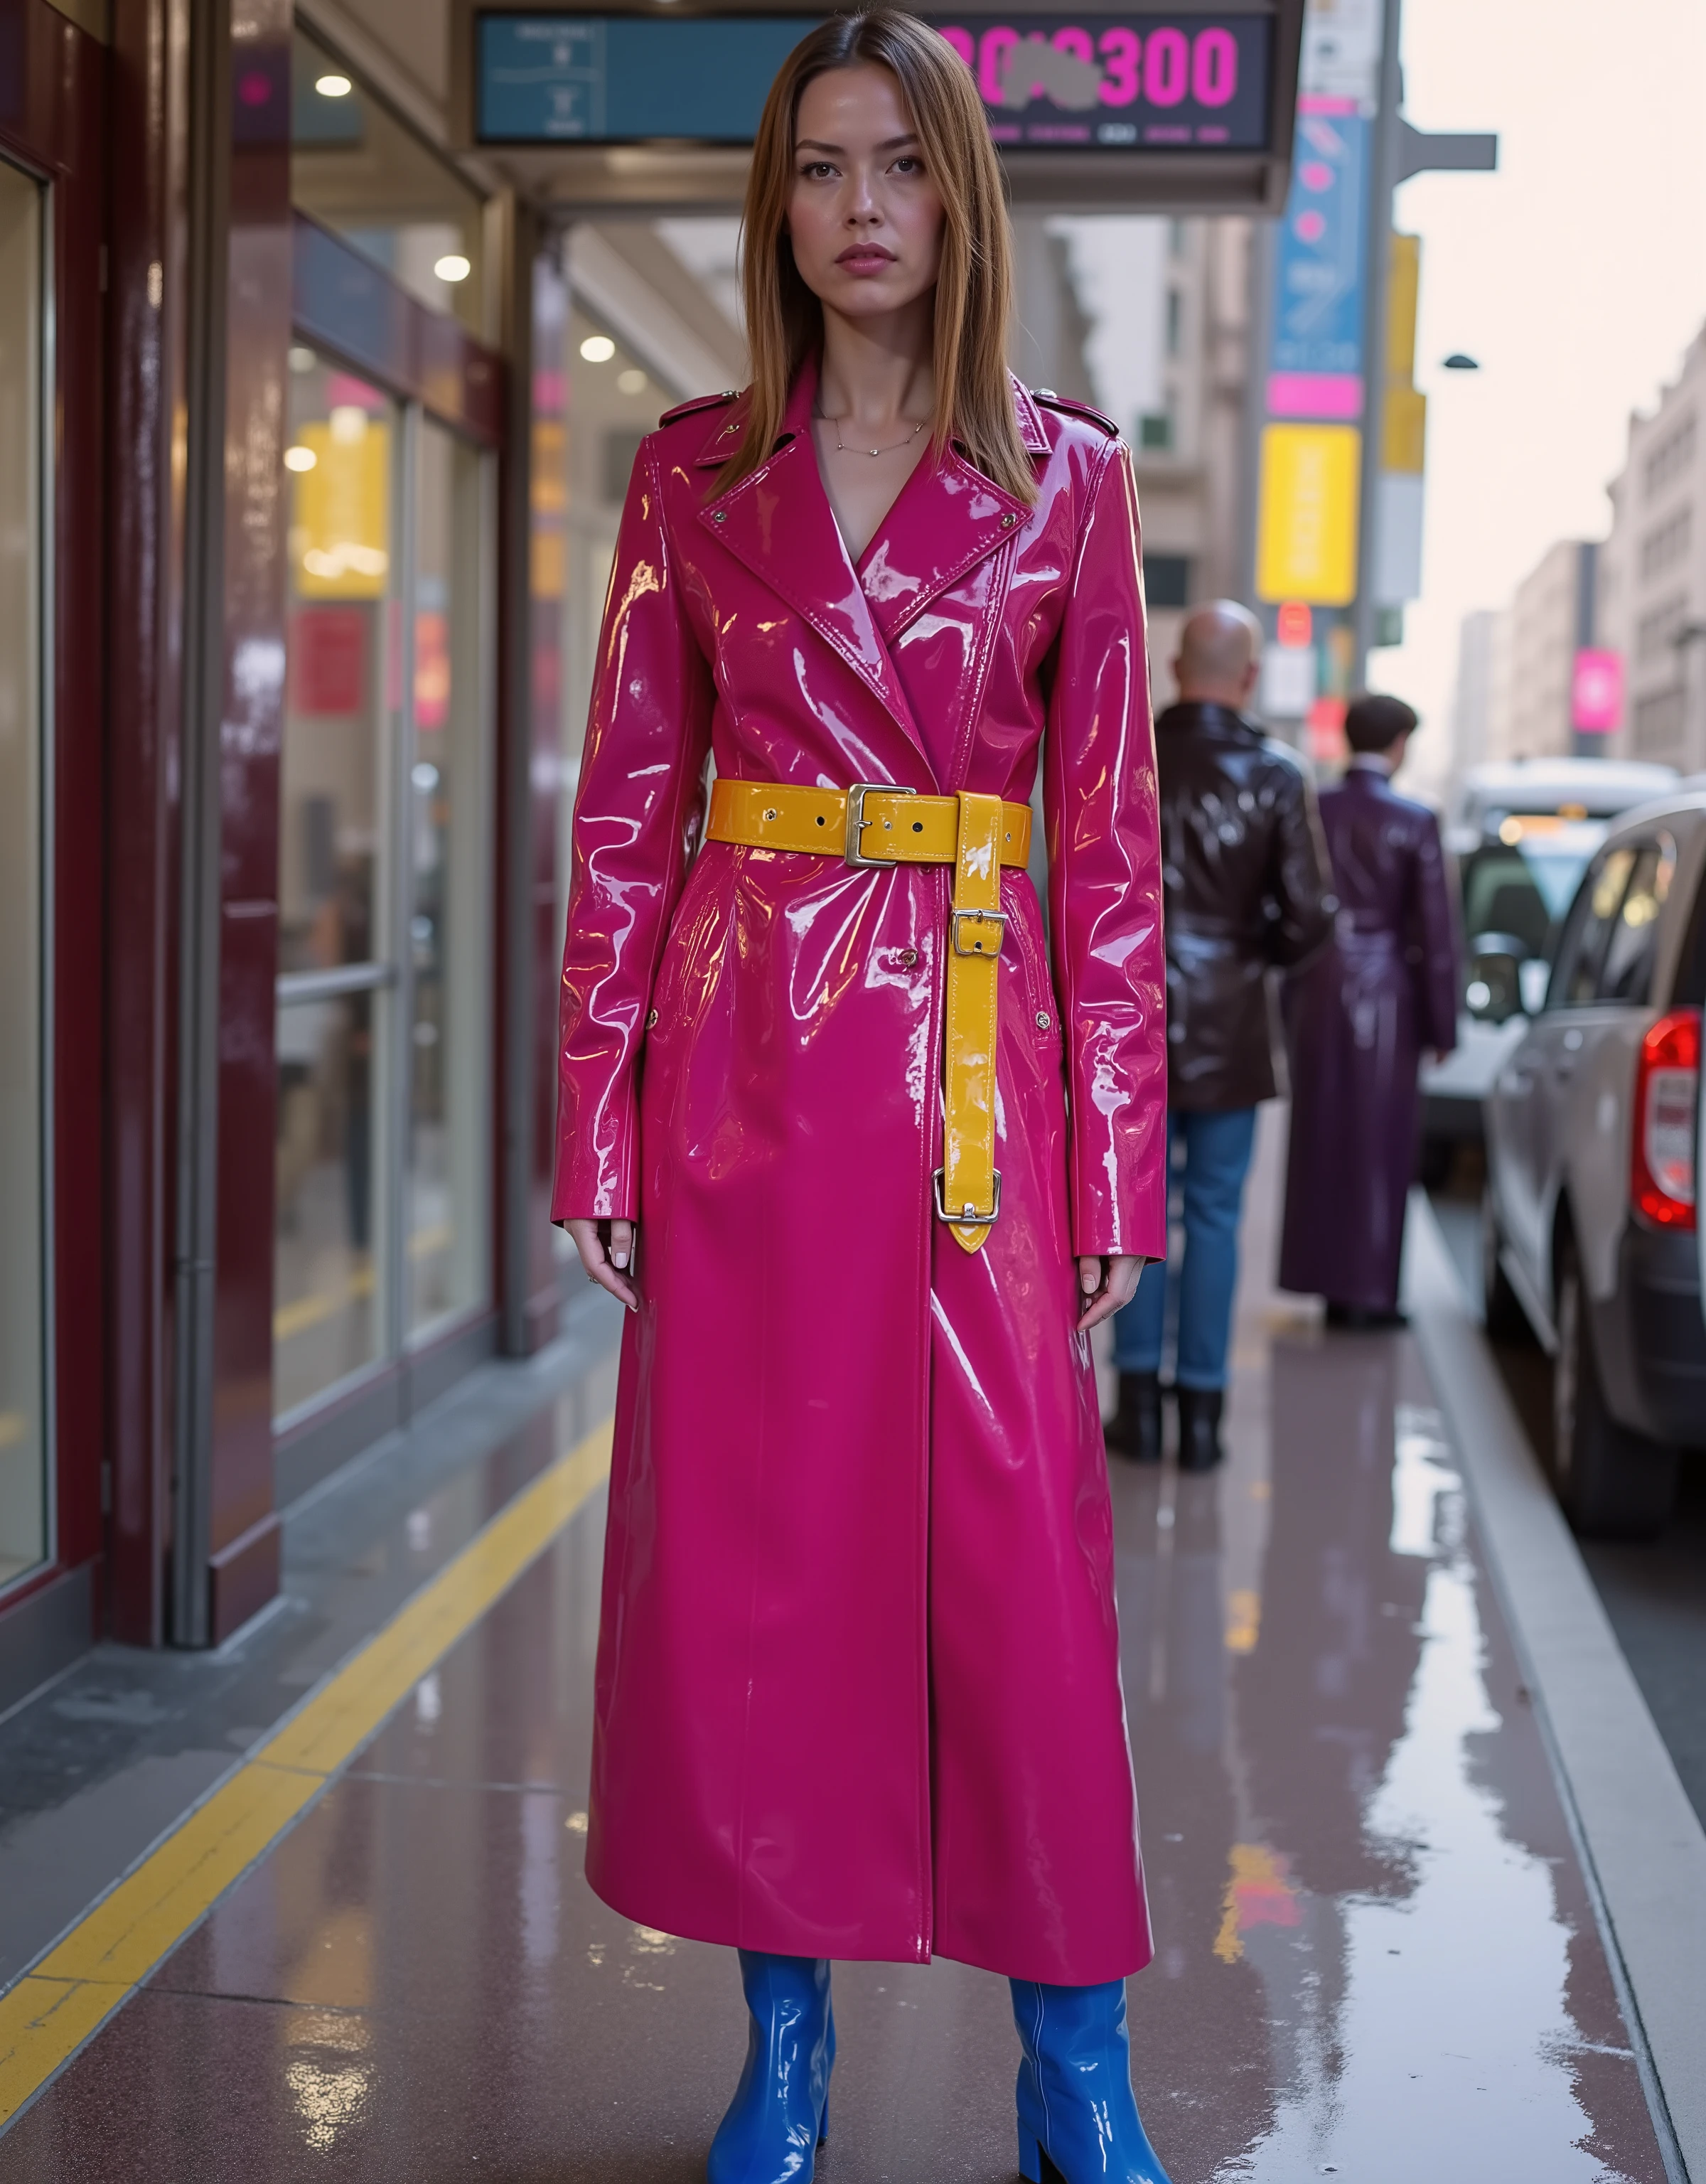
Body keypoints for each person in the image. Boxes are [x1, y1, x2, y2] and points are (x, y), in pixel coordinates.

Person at [552, 14, 1172, 2183]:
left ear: (958, 196)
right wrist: (593, 1115)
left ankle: (1070, 2056)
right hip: (739, 1070)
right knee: (754, 1572)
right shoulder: (690, 470)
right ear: (777, 205)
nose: (861, 209)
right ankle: (784, 2046)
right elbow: (626, 809)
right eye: (819, 169)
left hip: (980, 1078)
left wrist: (1114, 1163)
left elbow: (1105, 843)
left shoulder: (1065, 476)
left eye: (898, 167)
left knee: (1021, 1575)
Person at [1105, 603, 1335, 1472]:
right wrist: (1247, 956)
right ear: (1248, 678)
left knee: (1138, 1216)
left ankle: (1138, 1405)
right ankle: (1203, 1416)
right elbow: (1312, 918)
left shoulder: (1128, 759)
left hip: (1128, 1019)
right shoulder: (1278, 774)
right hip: (1234, 1024)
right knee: (1215, 1216)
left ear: (1173, 667)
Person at [1278, 692, 1458, 1327]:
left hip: (1318, 987)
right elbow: (1435, 936)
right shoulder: (1415, 819)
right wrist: (1443, 1025)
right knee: (1380, 1147)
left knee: (1322, 1138)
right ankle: (1371, 1292)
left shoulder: (1312, 808)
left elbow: (1287, 903)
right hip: (1387, 992)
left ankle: (1325, 1285)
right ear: (1399, 744)